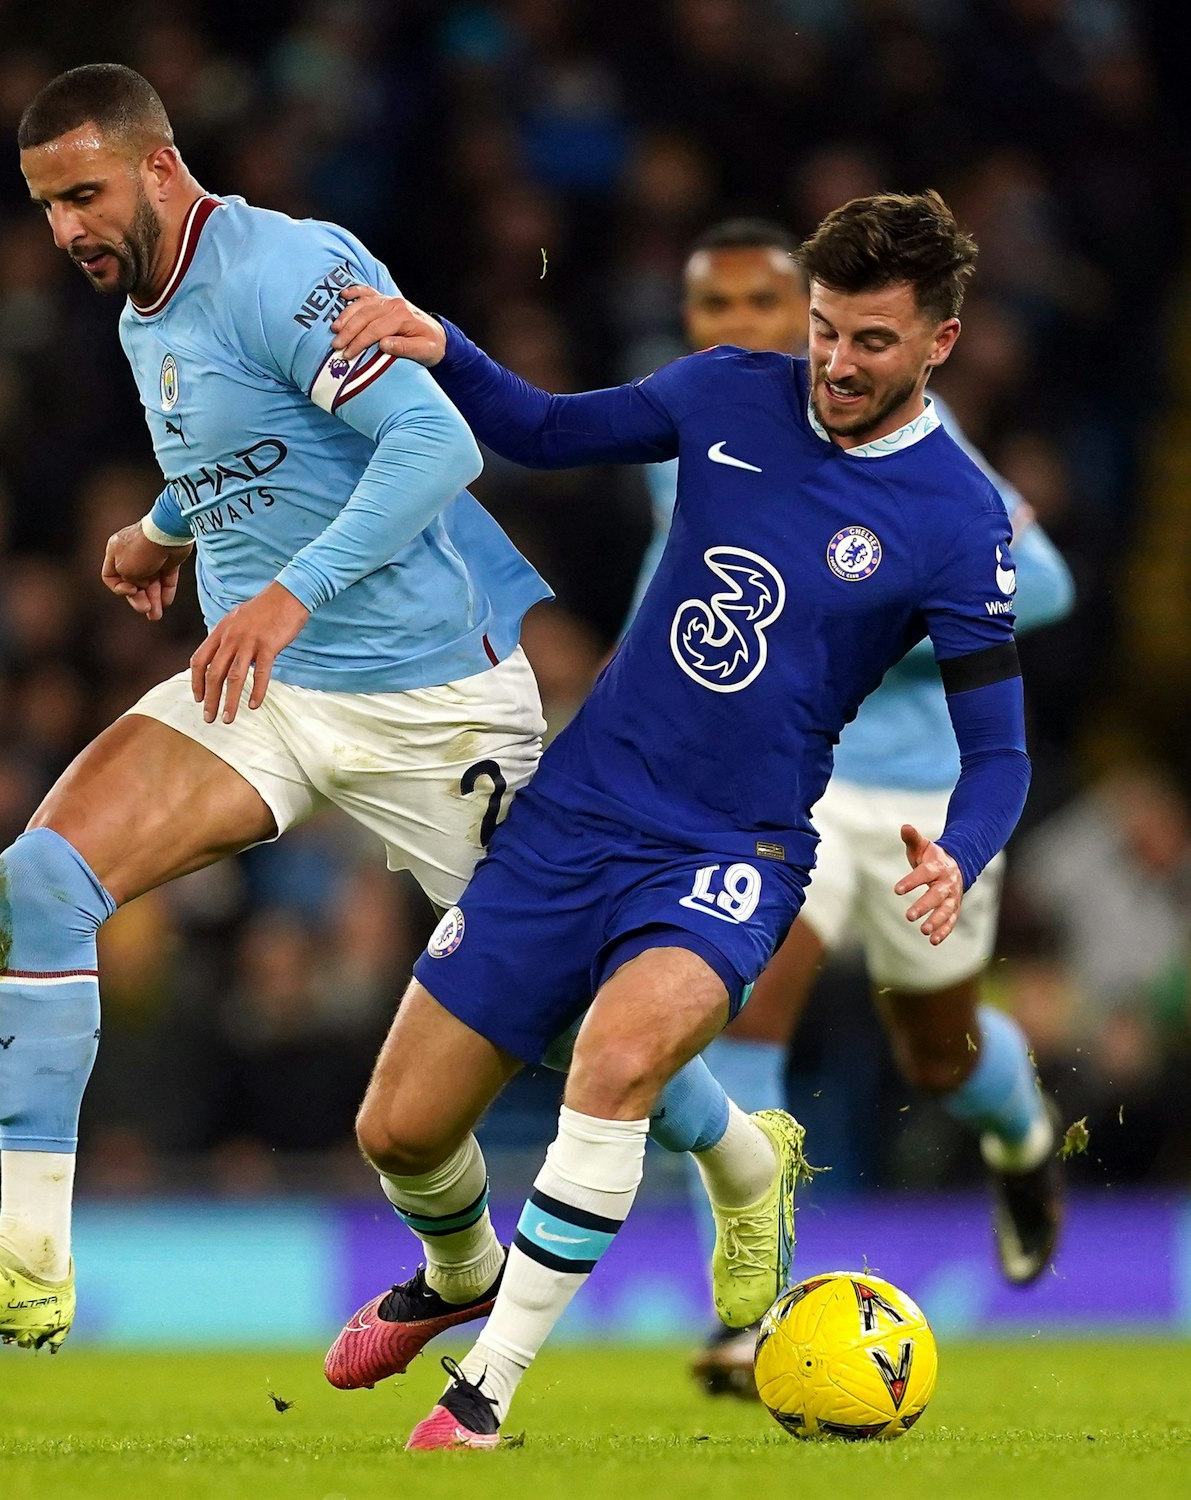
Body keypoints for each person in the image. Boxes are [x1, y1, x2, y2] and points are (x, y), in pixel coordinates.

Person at [325, 191, 1033, 1448]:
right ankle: (726, 1174)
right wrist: (442, 341)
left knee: (615, 1063)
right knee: (399, 1129)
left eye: (872, 341)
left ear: (940, 341)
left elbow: (1000, 753)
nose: (836, 362)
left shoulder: (959, 518)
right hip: (573, 816)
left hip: (734, 849)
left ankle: (483, 1392)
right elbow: (540, 433)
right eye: (824, 330)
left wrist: (959, 855)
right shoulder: (727, 391)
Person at [0, 64, 553, 1351]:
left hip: (428, 703)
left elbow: (436, 445)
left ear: (159, 168)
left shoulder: (284, 270)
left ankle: (742, 1168)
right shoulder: (142, 297)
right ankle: (29, 1257)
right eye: (44, 205)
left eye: (83, 194)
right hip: (264, 691)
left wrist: (287, 594)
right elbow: (258, 439)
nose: (64, 228)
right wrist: (163, 524)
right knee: (43, 880)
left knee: (581, 1026)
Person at [641, 222, 1075, 1395]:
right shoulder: (688, 437)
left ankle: (1020, 1137)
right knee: (741, 1013)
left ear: (808, 318)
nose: (734, 328)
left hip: (919, 792)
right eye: (708, 306)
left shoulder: (912, 439)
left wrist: (875, 617)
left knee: (940, 1052)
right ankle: (757, 1309)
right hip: (782, 790)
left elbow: (1041, 585)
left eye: (758, 305)